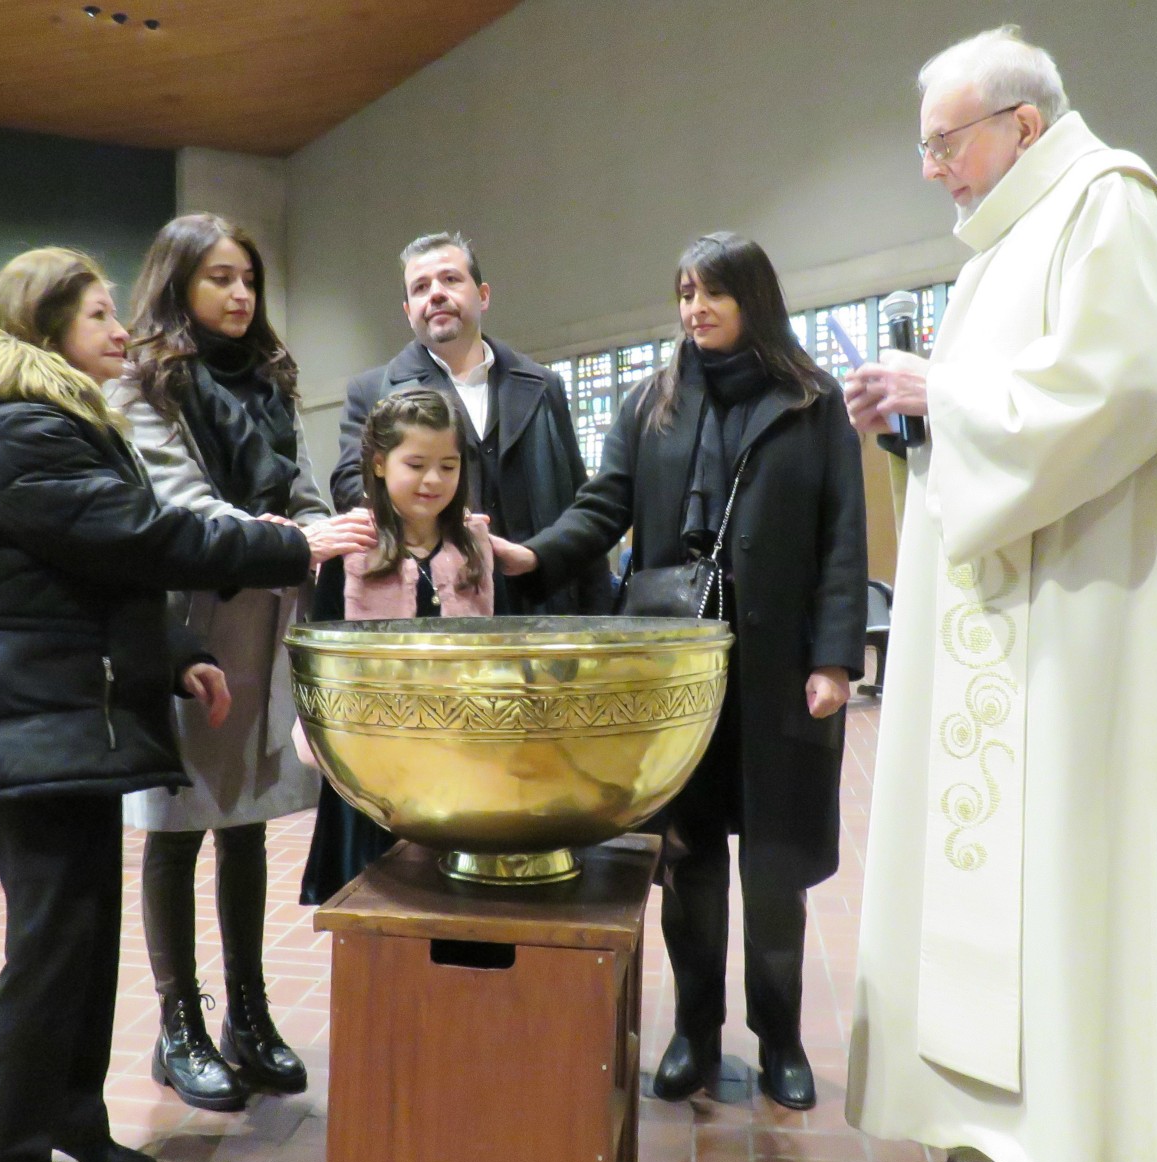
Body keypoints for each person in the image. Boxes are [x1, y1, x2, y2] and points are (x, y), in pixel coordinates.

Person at [839, 27, 1157, 1162]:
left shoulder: (1106, 201)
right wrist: (921, 418)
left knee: (1073, 856)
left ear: (1019, 127)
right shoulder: (1006, 242)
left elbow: (1118, 390)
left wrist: (943, 392)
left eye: (944, 143)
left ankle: (1082, 1124)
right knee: (1022, 858)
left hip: (1089, 612)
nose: (931, 167)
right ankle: (1022, 1119)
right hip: (1020, 602)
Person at [0, 247, 311, 1162]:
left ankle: (72, 1125)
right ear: (44, 329)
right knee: (46, 952)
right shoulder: (21, 428)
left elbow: (91, 575)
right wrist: (292, 545)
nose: (119, 326)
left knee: (82, 939)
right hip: (23, 717)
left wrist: (173, 654)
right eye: (96, 313)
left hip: (63, 713)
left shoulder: (56, 421)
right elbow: (136, 537)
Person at [491, 233, 867, 1111]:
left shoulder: (813, 402)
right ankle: (695, 1033)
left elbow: (842, 537)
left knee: (775, 864)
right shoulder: (650, 402)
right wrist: (529, 557)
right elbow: (604, 506)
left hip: (781, 669)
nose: (694, 308)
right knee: (687, 859)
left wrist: (835, 658)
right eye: (685, 292)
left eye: (711, 292)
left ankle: (779, 1039)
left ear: (754, 298)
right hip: (674, 673)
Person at [115, 213, 374, 1114]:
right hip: (188, 625)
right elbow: (182, 507)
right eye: (219, 277)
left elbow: (300, 486)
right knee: (177, 819)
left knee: (249, 820)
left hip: (268, 616)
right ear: (178, 282)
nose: (238, 294)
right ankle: (177, 1024)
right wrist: (306, 536)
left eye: (248, 280)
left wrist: (341, 528)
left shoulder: (267, 378)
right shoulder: (145, 383)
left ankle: (249, 1016)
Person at [332, 232, 609, 616]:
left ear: (483, 295)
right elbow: (352, 489)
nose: (436, 294)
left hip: (543, 604)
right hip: (441, 602)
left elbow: (577, 501)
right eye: (421, 287)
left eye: (450, 279)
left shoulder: (544, 386)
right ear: (408, 310)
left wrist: (599, 612)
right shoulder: (373, 391)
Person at [303, 388, 496, 906]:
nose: (434, 480)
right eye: (417, 464)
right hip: (372, 761)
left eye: (448, 466)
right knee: (380, 897)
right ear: (381, 464)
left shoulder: (474, 546)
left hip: (457, 751)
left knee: (452, 891)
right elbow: (318, 660)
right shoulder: (351, 550)